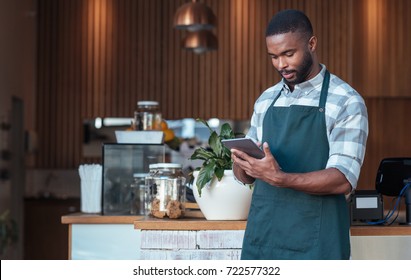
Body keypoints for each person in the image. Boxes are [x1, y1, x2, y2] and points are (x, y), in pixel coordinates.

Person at [231, 9, 368, 260]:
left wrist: (280, 178)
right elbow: (247, 178)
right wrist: (242, 164)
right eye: (273, 57)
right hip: (264, 241)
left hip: (317, 246)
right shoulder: (266, 100)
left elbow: (342, 179)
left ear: (312, 44)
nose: (281, 64)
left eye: (288, 54)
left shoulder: (346, 101)